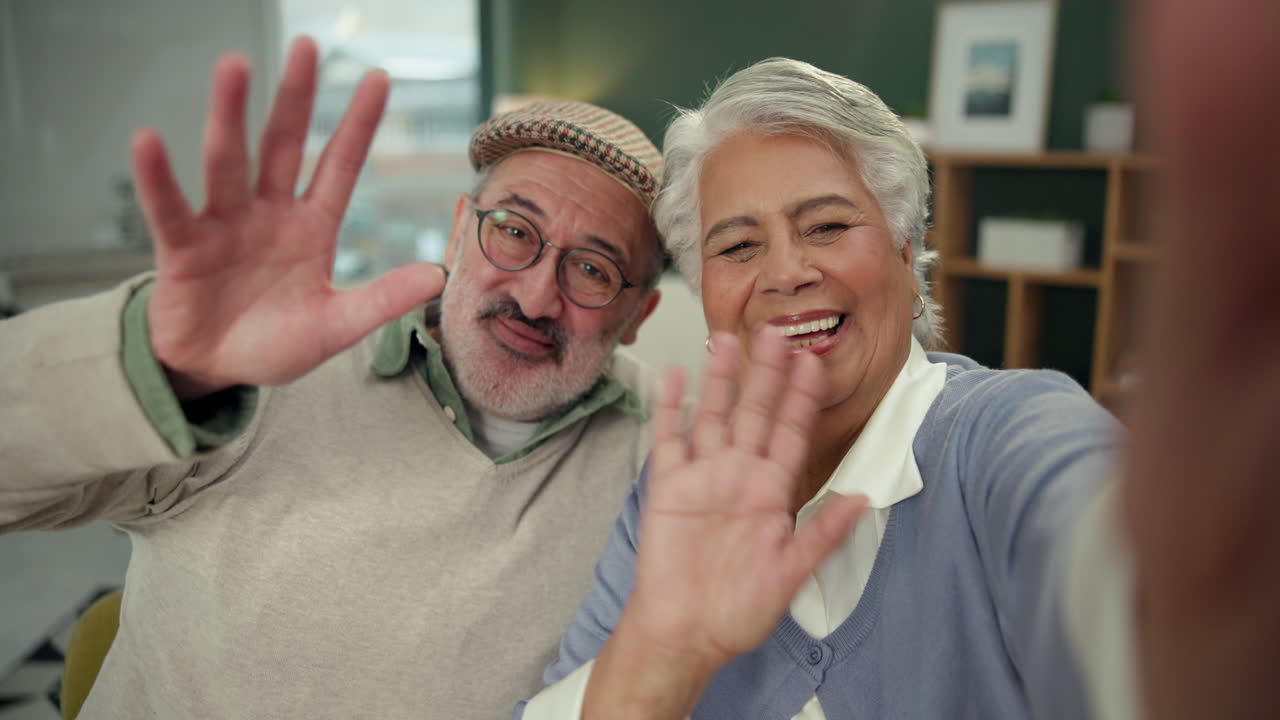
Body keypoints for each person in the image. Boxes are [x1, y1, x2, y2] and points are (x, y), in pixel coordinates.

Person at [519, 14, 1280, 714]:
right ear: (706, 289)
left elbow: (1105, 566)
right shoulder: (677, 489)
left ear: (906, 251)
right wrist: (660, 657)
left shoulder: (1000, 437)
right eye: (739, 246)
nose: (786, 273)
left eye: (826, 225)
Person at [0, 36, 669, 718]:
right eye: (515, 231)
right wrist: (162, 368)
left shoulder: (665, 448)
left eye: (593, 269)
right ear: (458, 229)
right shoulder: (260, 365)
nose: (534, 297)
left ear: (639, 312)